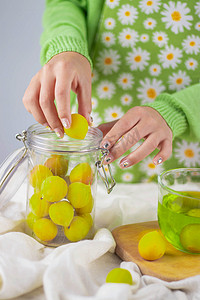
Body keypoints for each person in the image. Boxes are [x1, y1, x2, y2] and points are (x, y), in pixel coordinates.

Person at [23, 0, 200, 183]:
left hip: (189, 170)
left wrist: (176, 113)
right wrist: (67, 49)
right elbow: (66, 3)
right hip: (93, 156)